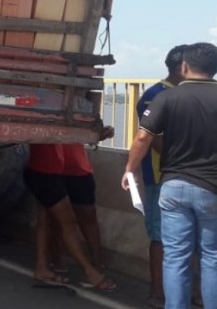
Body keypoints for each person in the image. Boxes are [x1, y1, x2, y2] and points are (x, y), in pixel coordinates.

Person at [123, 42, 217, 309]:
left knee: (175, 256)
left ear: (185, 66)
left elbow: (143, 137)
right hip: (211, 187)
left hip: (173, 186)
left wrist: (130, 169)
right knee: (212, 256)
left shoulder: (166, 97)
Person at [135, 45, 188, 308]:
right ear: (183, 67)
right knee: (160, 238)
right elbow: (155, 141)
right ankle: (157, 292)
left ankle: (195, 295)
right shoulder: (155, 95)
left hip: (184, 176)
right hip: (160, 177)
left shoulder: (184, 94)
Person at [26, 142, 117, 291]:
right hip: (45, 173)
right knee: (67, 223)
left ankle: (42, 267)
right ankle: (89, 270)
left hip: (47, 171)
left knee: (45, 219)